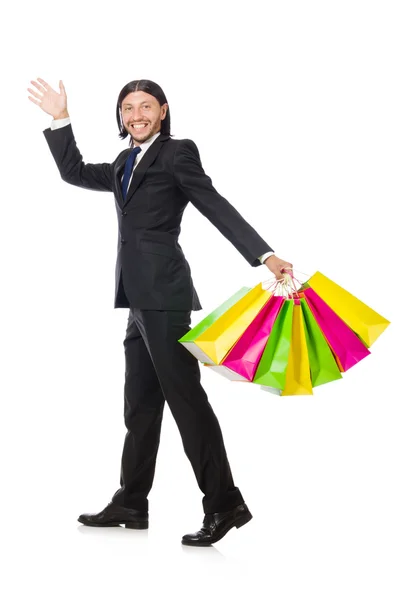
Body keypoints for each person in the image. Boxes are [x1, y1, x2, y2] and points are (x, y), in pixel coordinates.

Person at [27, 77, 293, 546]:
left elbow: (213, 204)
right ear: (121, 116)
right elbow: (72, 172)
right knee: (141, 406)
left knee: (186, 401)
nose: (137, 115)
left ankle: (225, 503)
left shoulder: (177, 153)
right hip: (136, 299)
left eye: (146, 106)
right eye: (128, 108)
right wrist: (60, 118)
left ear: (163, 111)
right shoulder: (124, 162)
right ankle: (132, 500)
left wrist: (263, 254)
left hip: (165, 296)